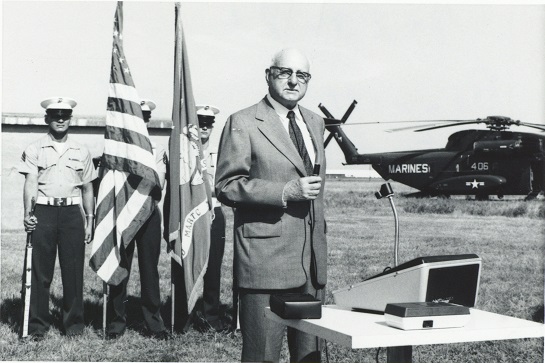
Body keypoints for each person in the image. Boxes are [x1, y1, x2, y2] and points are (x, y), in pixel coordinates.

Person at [215, 48, 327, 362]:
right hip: (265, 263)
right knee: (263, 355)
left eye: (301, 75)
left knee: (310, 356)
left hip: (310, 265)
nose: (293, 81)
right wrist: (284, 191)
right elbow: (226, 185)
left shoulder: (315, 122)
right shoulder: (243, 121)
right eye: (285, 72)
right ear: (269, 75)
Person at [18, 97, 96, 339]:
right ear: (47, 119)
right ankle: (37, 326)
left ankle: (73, 326)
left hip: (72, 213)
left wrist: (90, 217)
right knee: (40, 272)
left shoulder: (82, 150)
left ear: (70, 119)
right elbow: (30, 183)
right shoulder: (34, 149)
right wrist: (27, 215)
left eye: (65, 115)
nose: (60, 119)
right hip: (44, 212)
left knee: (73, 272)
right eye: (55, 115)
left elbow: (87, 188)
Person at [105, 99, 171, 340]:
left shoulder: (157, 148)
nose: (139, 120)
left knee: (149, 269)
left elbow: (159, 183)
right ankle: (116, 322)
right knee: (120, 266)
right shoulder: (117, 148)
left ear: (147, 120)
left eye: (143, 116)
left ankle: (153, 322)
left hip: (149, 212)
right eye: (135, 115)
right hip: (122, 212)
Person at [195, 105, 231, 333]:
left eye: (208, 123)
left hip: (215, 212)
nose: (204, 127)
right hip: (191, 214)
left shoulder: (221, 156)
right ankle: (182, 315)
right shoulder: (186, 155)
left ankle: (210, 315)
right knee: (185, 265)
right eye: (201, 122)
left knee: (213, 267)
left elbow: (225, 187)